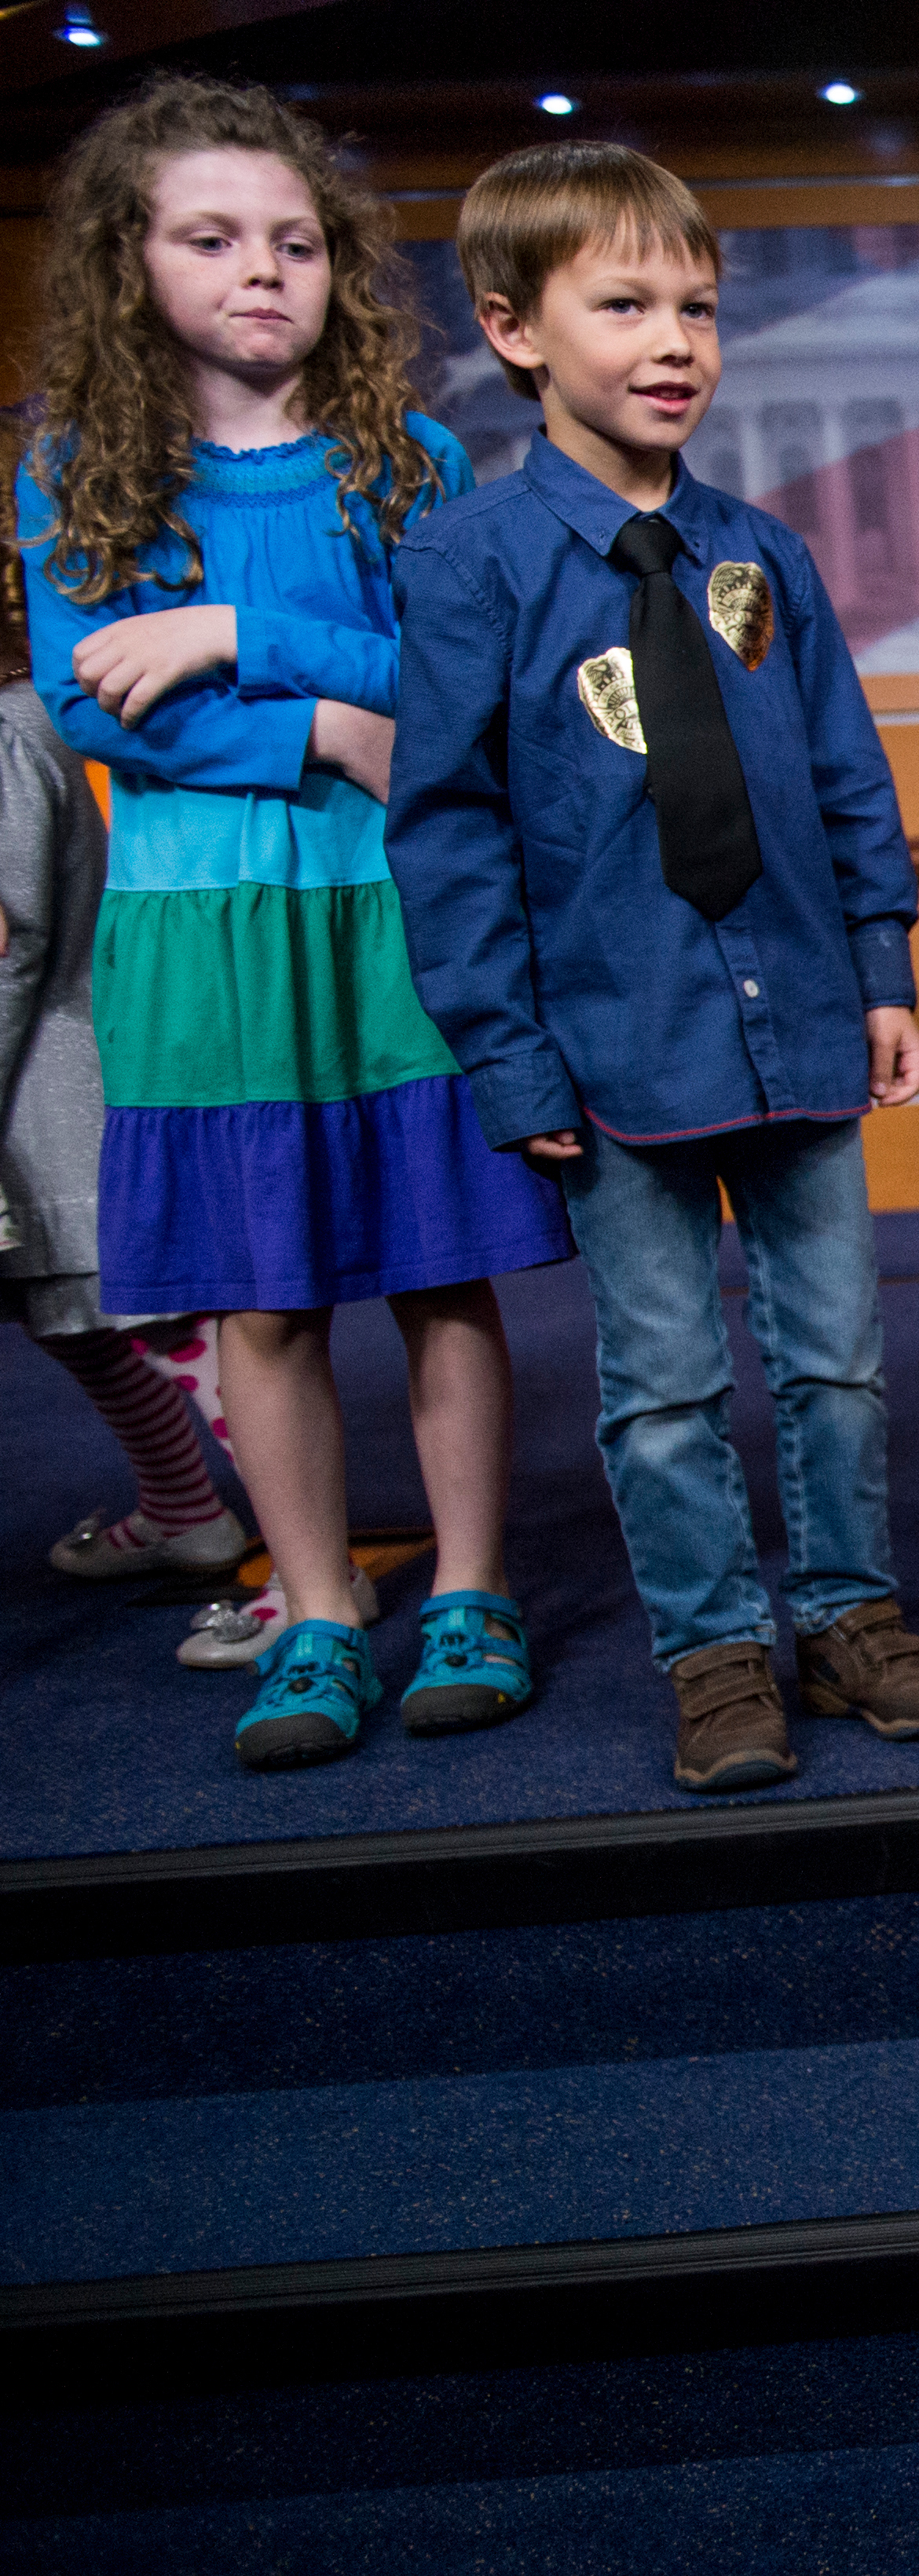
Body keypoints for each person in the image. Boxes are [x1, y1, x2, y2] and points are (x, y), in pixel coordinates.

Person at [386, 140, 919, 1795]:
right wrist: (511, 1060)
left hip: (793, 1021)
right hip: (612, 1044)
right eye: (626, 303)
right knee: (659, 1383)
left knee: (838, 1355)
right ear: (513, 328)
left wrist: (882, 968)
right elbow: (446, 838)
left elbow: (847, 772)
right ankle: (715, 1650)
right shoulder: (472, 565)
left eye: (699, 309)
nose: (675, 341)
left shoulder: (762, 557)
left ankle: (853, 1614)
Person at [16, 75, 566, 1769]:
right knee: (258, 1299)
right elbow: (95, 702)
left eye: (298, 241)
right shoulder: (69, 469)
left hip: (388, 915)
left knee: (440, 1269)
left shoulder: (405, 464)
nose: (264, 269)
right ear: (130, 260)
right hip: (198, 933)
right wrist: (329, 728)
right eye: (213, 237)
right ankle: (317, 1603)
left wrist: (239, 630)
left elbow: (448, 688)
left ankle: (470, 1586)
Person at [2, 465, 257, 1617]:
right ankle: (187, 1511)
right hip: (44, 1104)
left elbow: (6, 948)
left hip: (46, 1097)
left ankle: (308, 1563)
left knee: (164, 1333)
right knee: (86, 1326)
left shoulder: (6, 736)